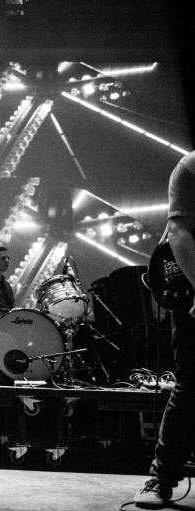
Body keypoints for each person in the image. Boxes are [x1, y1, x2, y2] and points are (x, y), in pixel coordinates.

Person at [134, 150, 195, 508]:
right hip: (190, 285)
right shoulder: (190, 167)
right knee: (191, 383)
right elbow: (178, 231)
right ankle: (159, 478)